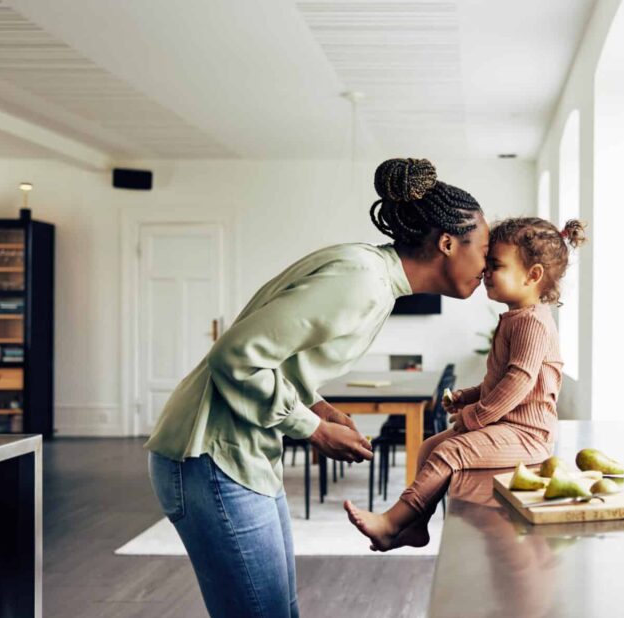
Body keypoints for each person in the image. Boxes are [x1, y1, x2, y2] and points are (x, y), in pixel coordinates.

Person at [144, 158, 489, 617]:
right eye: (484, 249)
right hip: (210, 456)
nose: (487, 266)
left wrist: (318, 407)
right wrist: (312, 429)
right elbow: (235, 356)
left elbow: (277, 357)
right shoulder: (362, 281)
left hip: (235, 455)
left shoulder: (371, 275)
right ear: (447, 243)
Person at [345, 216, 587, 552]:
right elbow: (502, 381)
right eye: (487, 264)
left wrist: (476, 415)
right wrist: (468, 396)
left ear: (533, 276)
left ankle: (392, 522)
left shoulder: (533, 323)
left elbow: (519, 382)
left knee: (449, 452)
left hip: (528, 435)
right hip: (506, 425)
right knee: (429, 447)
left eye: (496, 266)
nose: (485, 272)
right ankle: (416, 526)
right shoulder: (516, 318)